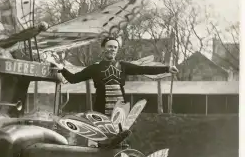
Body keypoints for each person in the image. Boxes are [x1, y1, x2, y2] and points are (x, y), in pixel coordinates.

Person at [48, 37, 179, 116]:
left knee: (119, 137)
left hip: (120, 108)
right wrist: (62, 69)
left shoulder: (123, 65)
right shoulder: (95, 67)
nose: (113, 49)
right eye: (110, 47)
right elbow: (73, 79)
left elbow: (144, 69)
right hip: (100, 109)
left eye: (115, 47)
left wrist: (167, 68)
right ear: (103, 48)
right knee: (103, 139)